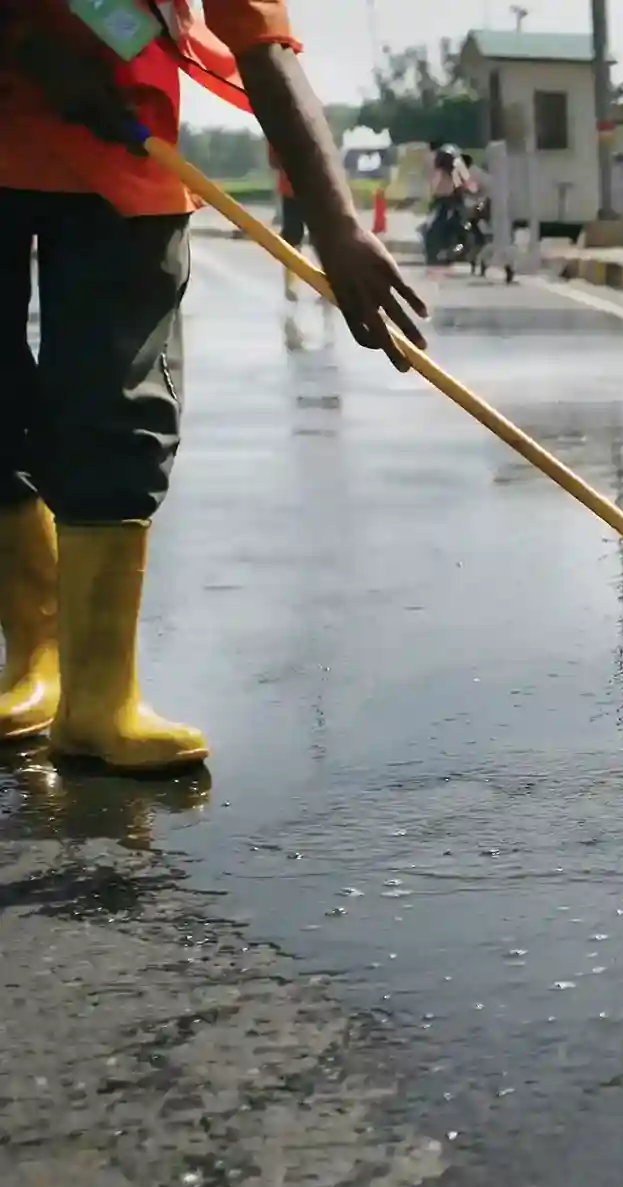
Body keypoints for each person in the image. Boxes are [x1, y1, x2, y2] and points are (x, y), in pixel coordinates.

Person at [0, 0, 427, 771]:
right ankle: (34, 660)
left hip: (124, 155)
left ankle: (99, 698)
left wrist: (335, 224)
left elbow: (262, 44)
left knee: (120, 411)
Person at [268, 141, 306, 300]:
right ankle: (291, 285)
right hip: (294, 189)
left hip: (310, 188)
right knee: (292, 238)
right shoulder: (276, 127)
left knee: (322, 238)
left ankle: (328, 282)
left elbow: (273, 162)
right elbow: (273, 161)